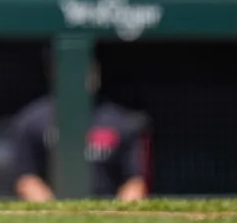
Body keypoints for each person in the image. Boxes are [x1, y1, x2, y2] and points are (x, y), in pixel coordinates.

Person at [12, 62, 150, 202]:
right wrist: (56, 212)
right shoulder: (32, 120)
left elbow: (135, 181)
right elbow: (27, 179)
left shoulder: (120, 121)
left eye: (89, 72)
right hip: (53, 206)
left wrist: (116, 211)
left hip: (106, 205)